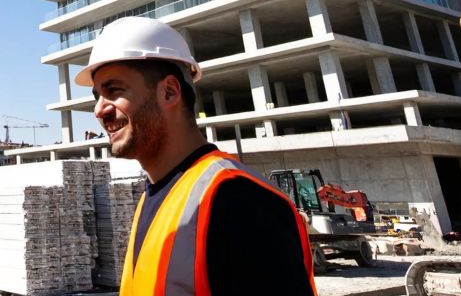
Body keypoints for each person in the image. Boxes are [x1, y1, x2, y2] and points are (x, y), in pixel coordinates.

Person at [79, 17, 315, 296]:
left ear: (169, 91)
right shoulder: (152, 199)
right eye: (97, 96)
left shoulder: (239, 201)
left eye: (114, 91)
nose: (98, 110)